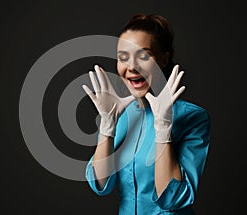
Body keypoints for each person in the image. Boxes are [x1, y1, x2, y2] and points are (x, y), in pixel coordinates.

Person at [82, 14, 210, 215]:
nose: (132, 67)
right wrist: (107, 126)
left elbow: (173, 198)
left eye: (144, 56)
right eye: (123, 57)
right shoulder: (119, 114)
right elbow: (101, 183)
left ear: (164, 59)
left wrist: (163, 129)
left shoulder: (193, 118)